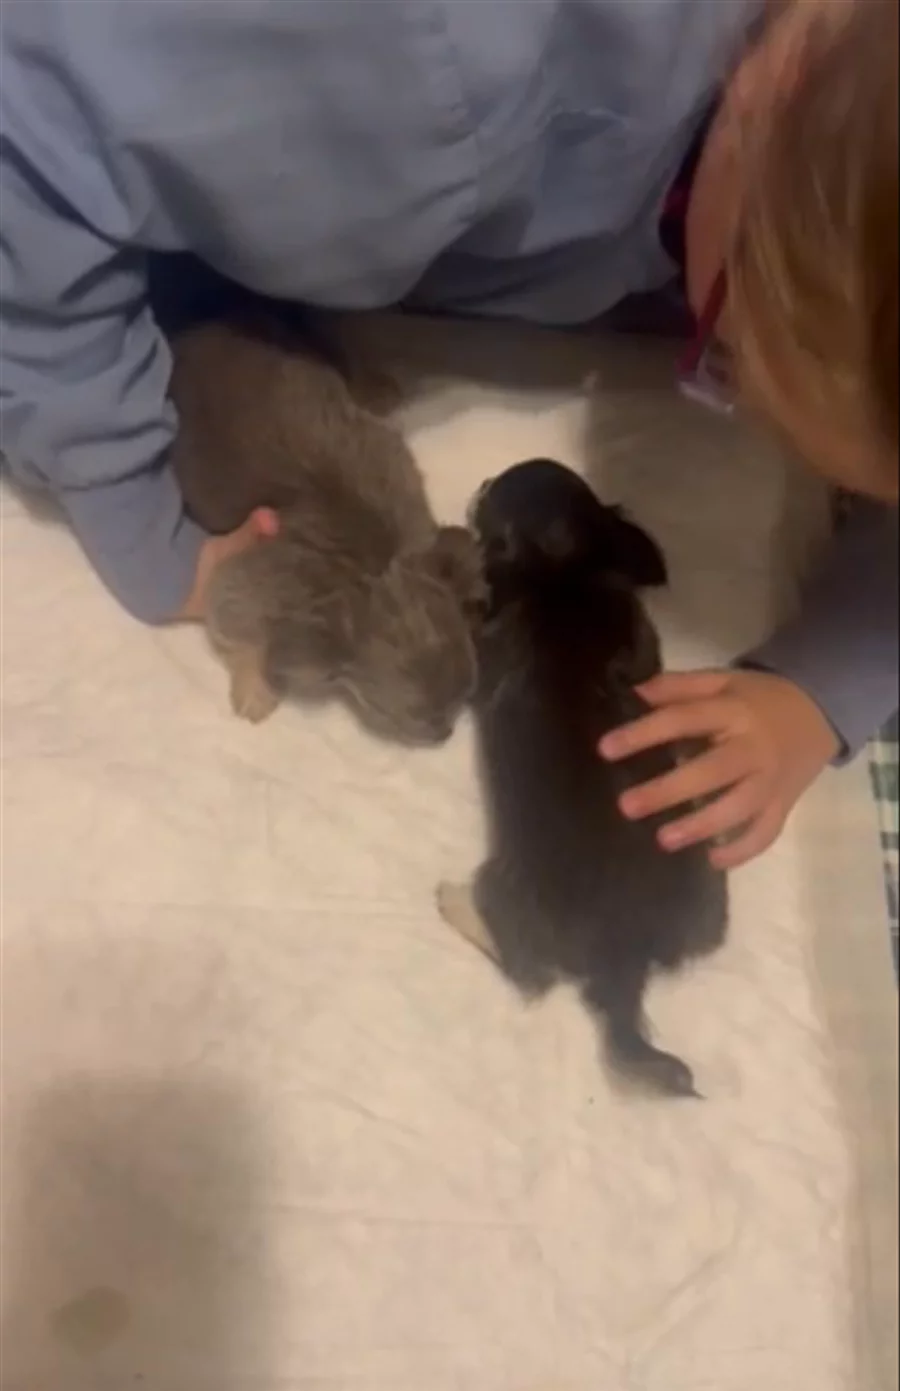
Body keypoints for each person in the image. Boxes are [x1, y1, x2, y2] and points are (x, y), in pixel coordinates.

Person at [1, 0, 896, 869]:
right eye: (725, 358)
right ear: (783, 82)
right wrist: (127, 501)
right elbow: (25, 134)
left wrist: (822, 688)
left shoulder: (813, 127)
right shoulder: (418, 54)